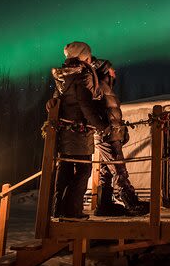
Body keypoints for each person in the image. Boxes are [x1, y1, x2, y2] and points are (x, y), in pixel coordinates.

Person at [50, 41, 127, 219]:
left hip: (65, 130)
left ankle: (58, 209)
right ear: (84, 55)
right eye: (88, 54)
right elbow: (85, 105)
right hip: (80, 130)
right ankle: (73, 212)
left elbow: (58, 98)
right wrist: (102, 127)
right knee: (84, 170)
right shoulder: (83, 74)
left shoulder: (64, 75)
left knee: (66, 169)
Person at [90, 56, 150, 215]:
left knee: (106, 171)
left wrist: (121, 130)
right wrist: (106, 128)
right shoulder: (99, 88)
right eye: (110, 68)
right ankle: (131, 203)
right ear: (103, 70)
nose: (114, 71)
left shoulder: (106, 88)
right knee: (119, 169)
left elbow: (112, 114)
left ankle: (104, 206)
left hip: (111, 134)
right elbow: (97, 111)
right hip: (107, 135)